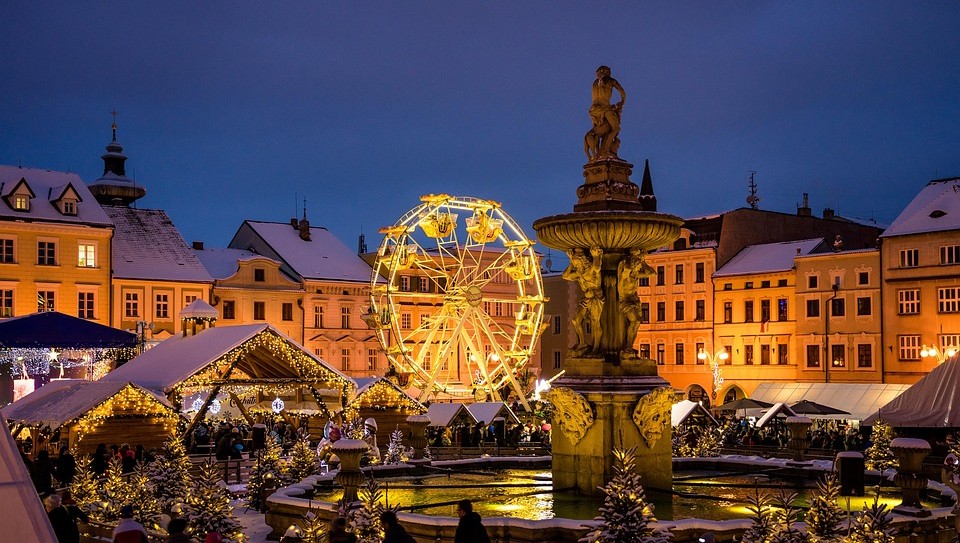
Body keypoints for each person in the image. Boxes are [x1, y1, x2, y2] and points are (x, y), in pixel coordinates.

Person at [583, 65, 626, 161]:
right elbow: (622, 92)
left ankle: (598, 154)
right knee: (616, 128)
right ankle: (605, 151)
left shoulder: (594, 83)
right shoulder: (610, 80)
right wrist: (622, 101)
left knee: (600, 130)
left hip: (593, 110)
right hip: (605, 108)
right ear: (607, 72)